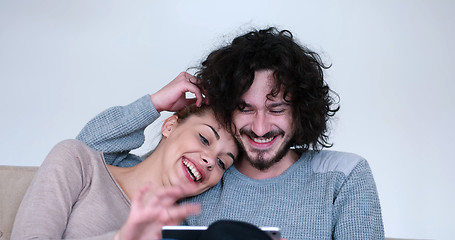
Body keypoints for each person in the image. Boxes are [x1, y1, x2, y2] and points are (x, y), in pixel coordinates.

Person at [63, 27, 384, 239]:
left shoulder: (342, 175)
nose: (260, 128)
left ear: (301, 112)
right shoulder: (203, 174)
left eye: (276, 110)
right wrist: (153, 105)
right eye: (245, 108)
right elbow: (87, 155)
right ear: (227, 107)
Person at [11, 73, 239, 240]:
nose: (210, 160)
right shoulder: (80, 163)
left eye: (222, 162)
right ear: (170, 126)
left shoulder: (183, 231)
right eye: (204, 139)